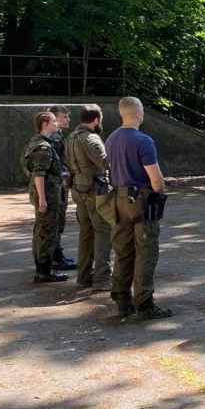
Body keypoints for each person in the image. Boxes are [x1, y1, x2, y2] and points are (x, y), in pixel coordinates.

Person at [105, 97, 172, 319]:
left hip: (118, 199)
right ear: (139, 114)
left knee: (123, 251)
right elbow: (156, 178)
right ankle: (144, 303)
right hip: (141, 201)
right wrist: (159, 193)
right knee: (146, 251)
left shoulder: (111, 139)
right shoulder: (143, 140)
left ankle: (122, 301)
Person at [66, 104, 112, 291]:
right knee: (102, 232)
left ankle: (83, 277)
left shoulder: (71, 137)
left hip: (78, 188)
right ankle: (102, 278)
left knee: (86, 233)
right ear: (96, 119)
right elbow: (104, 162)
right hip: (93, 190)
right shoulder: (91, 138)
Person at [21, 112, 68, 283]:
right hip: (48, 195)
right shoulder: (43, 147)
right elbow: (39, 173)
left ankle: (43, 268)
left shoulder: (36, 143)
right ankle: (44, 271)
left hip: (46, 192)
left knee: (42, 230)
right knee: (46, 233)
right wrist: (42, 198)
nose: (57, 124)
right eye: (54, 121)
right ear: (45, 124)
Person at [48, 105, 76, 270]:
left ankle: (55, 255)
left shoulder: (57, 137)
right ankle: (54, 257)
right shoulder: (55, 138)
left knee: (59, 221)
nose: (68, 119)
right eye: (64, 117)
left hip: (60, 185)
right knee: (56, 221)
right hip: (56, 186)